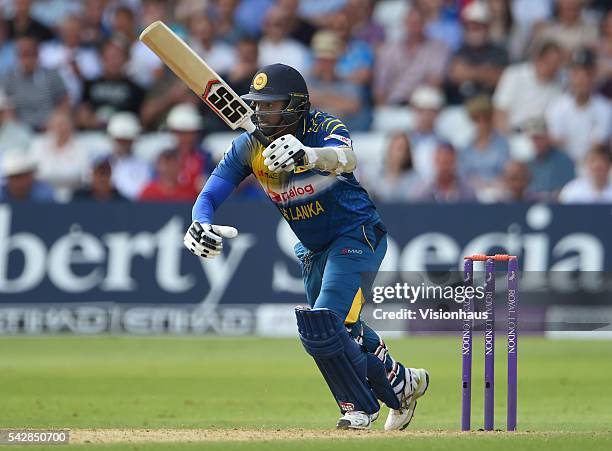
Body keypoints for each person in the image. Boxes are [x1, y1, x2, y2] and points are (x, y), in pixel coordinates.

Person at [184, 63, 429, 431]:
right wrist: (199, 222)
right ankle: (401, 382)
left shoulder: (323, 127)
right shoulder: (250, 145)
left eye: (272, 105)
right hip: (314, 251)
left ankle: (359, 409)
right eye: (258, 105)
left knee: (323, 324)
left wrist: (308, 155)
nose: (262, 113)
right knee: (344, 332)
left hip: (356, 235)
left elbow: (347, 158)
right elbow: (210, 193)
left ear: (296, 105)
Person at [546, 48, 612, 163]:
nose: (582, 79)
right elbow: (557, 142)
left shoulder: (605, 108)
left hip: (592, 167)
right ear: (570, 75)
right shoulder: (557, 106)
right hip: (563, 166)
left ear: (594, 75)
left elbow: (598, 145)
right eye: (577, 73)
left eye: (587, 73)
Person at [374, 7, 449, 105]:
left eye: (417, 23)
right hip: (394, 103)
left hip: (424, 104)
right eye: (411, 23)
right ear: (404, 24)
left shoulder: (437, 48)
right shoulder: (389, 50)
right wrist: (383, 109)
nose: (414, 27)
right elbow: (381, 85)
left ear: (424, 24)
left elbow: (435, 80)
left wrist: (415, 99)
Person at [1, 36, 69, 131]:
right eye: (23, 55)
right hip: (19, 127)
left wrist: (55, 119)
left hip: (50, 126)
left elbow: (64, 101)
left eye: (31, 55)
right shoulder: (8, 78)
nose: (27, 60)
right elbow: (5, 105)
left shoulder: (52, 75)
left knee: (62, 120)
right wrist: (16, 125)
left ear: (38, 55)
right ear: (17, 57)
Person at [493, 41, 563, 133]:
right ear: (538, 59)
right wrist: (506, 140)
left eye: (557, 64)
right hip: (512, 134)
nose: (554, 68)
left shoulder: (558, 88)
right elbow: (500, 111)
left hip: (539, 139)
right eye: (550, 62)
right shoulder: (514, 74)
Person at [459, 95, 510, 190]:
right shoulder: (466, 147)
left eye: (486, 118)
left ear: (491, 119)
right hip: (472, 193)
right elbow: (463, 175)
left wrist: (492, 185)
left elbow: (506, 172)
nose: (481, 123)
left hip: (498, 191)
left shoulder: (503, 144)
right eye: (477, 119)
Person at [524, 117, 575, 200]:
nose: (536, 142)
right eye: (533, 138)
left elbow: (565, 192)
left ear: (547, 137)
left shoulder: (564, 161)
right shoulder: (527, 162)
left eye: (539, 138)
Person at [106, 111, 151, 200]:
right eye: (119, 140)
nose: (122, 144)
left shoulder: (145, 166)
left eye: (126, 140)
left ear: (134, 140)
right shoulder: (101, 164)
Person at [366, 132, 421, 202]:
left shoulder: (414, 180)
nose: (393, 151)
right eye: (391, 146)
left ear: (407, 154)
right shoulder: (374, 177)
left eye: (399, 148)